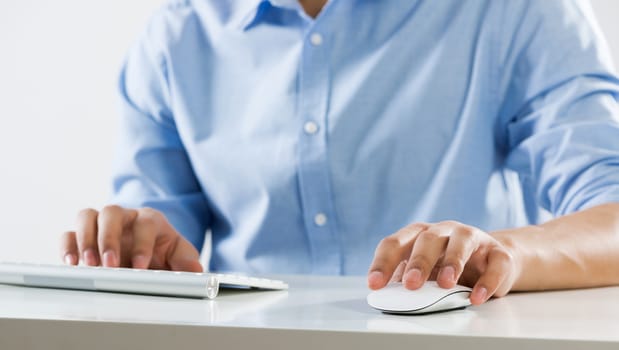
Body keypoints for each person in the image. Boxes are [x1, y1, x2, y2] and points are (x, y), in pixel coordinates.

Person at [60, 0, 619, 305]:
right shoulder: (176, 36)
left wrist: (508, 255)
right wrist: (134, 246)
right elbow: (159, 244)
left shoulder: (515, 12)